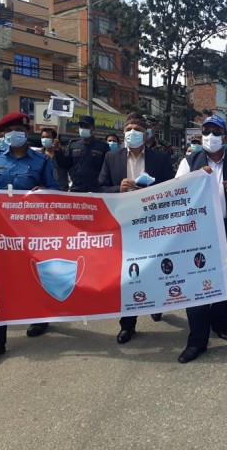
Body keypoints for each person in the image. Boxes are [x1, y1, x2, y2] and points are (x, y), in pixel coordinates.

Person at [0, 112, 59, 358]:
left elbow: (55, 192)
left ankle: (40, 318)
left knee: (34, 276)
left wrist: (43, 191)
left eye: (17, 130)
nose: (13, 135)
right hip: (2, 234)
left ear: (26, 132)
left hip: (33, 234)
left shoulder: (42, 161)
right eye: (8, 132)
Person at [174, 114, 227, 363]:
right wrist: (195, 179)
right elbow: (175, 194)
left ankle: (221, 323)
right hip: (198, 231)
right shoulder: (189, 162)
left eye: (216, 132)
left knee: (225, 278)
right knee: (197, 281)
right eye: (206, 132)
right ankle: (197, 340)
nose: (210, 137)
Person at [98, 112, 174, 343]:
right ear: (123, 134)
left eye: (138, 130)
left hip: (152, 222)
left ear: (146, 135)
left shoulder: (160, 159)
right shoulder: (112, 158)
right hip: (124, 223)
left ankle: (157, 304)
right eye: (128, 129)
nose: (132, 133)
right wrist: (117, 188)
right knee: (127, 275)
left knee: (154, 267)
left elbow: (172, 187)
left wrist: (150, 192)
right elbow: (100, 187)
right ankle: (127, 325)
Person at [55, 115, 109, 192]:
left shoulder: (103, 146)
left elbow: (107, 169)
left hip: (96, 189)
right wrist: (58, 151)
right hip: (77, 188)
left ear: (93, 128)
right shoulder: (73, 145)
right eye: (81, 126)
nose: (83, 129)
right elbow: (64, 165)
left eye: (86, 126)